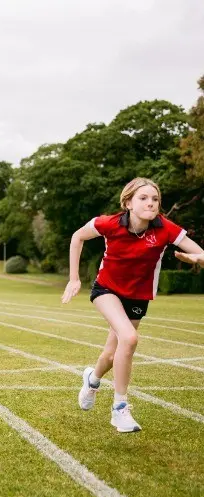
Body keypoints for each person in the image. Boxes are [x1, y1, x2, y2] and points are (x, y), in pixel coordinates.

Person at [62, 177, 204, 432]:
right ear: (128, 202)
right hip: (106, 290)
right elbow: (76, 237)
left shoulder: (166, 228)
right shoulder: (110, 223)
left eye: (155, 199)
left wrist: (196, 258)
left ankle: (92, 380)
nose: (151, 203)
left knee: (111, 353)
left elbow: (202, 255)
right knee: (129, 338)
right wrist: (74, 278)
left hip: (137, 297)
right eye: (143, 198)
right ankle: (119, 409)